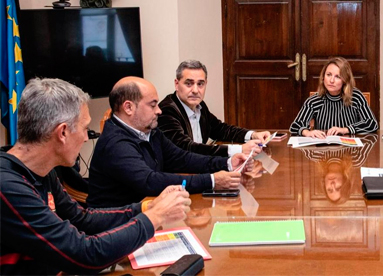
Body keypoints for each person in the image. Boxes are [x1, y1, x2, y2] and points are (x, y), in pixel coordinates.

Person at [0, 78, 191, 275]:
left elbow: (82, 219)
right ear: (63, 132)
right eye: (84, 128)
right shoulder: (8, 186)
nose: (85, 137)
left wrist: (146, 207)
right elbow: (84, 254)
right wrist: (155, 216)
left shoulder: (42, 170)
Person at [87, 77, 250, 208]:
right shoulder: (115, 144)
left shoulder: (149, 130)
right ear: (128, 108)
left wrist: (227, 163)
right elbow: (150, 181)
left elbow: (182, 159)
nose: (159, 110)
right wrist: (212, 180)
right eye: (153, 105)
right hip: (116, 225)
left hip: (148, 212)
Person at [158, 60, 269, 157]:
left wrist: (253, 135)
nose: (195, 90)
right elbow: (186, 148)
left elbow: (220, 129)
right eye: (189, 84)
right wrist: (240, 149)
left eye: (200, 84)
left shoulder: (200, 106)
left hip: (200, 167)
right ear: (177, 84)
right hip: (179, 175)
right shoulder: (167, 111)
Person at [289, 57, 378, 138]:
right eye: (328, 75)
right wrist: (307, 132)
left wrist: (345, 130)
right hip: (323, 150)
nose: (331, 80)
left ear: (345, 80)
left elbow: (372, 124)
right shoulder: (314, 100)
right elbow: (295, 126)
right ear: (323, 77)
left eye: (337, 77)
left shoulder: (355, 96)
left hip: (349, 150)